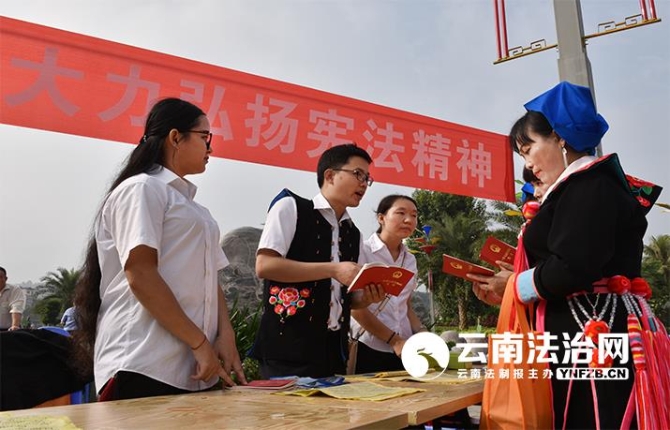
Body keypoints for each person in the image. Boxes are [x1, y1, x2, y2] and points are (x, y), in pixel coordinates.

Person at [482, 81, 662, 429]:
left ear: (559, 137)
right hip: (587, 325)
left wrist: (514, 285)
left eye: (528, 149)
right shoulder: (584, 186)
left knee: (594, 417)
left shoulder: (589, 184)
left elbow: (573, 266)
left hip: (592, 332)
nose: (528, 163)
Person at [73, 98, 246, 401]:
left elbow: (209, 278)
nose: (210, 149)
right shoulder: (141, 188)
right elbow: (140, 272)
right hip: (143, 360)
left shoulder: (196, 209)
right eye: (205, 137)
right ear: (176, 137)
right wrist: (199, 342)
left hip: (193, 367)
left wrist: (225, 335)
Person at [250, 143, 385, 378]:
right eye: (358, 174)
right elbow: (265, 266)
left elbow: (345, 298)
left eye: (367, 178)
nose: (364, 183)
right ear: (330, 175)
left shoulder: (353, 233)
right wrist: (333, 269)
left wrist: (365, 298)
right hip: (286, 350)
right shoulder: (291, 207)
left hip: (333, 352)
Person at [350, 194, 426, 373]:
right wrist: (394, 340)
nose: (409, 220)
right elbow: (355, 308)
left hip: (405, 349)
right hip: (369, 347)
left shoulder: (410, 259)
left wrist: (422, 332)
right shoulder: (362, 251)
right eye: (401, 213)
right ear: (381, 218)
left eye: (414, 215)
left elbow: (405, 305)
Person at [0, 266, 26, 331]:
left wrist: (15, 326)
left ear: (6, 278)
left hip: (8, 331)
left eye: (0, 277)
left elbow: (16, 309)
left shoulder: (15, 290)